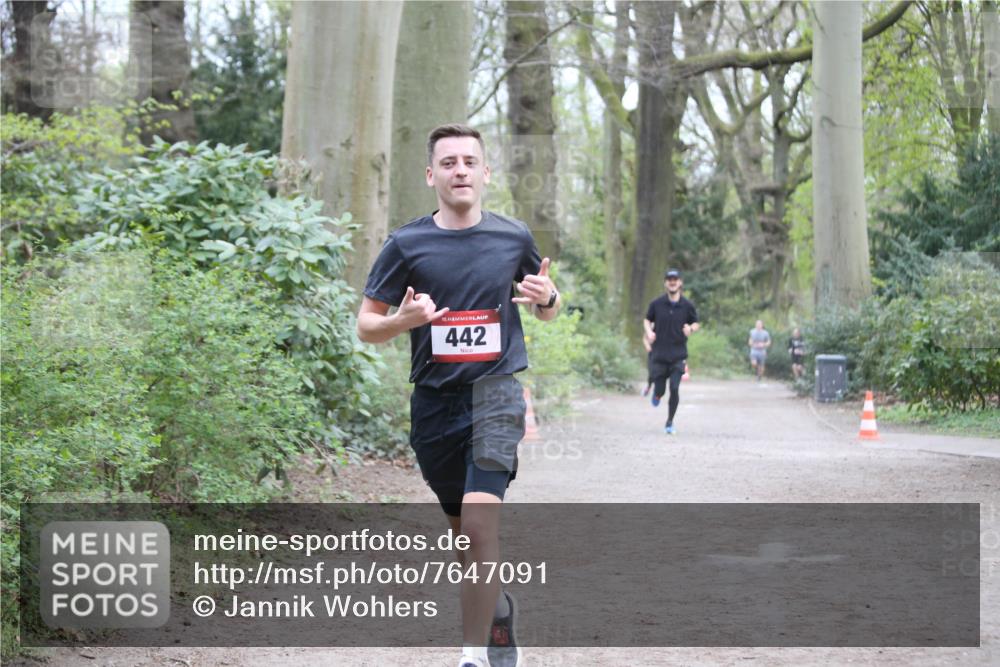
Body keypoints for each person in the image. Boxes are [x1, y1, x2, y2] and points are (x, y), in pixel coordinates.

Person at [356, 123, 559, 667]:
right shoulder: (407, 243)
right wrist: (404, 319)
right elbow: (365, 327)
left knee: (478, 527)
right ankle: (496, 611)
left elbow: (543, 302)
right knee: (464, 537)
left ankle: (472, 656)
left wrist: (549, 297)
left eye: (470, 161)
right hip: (434, 405)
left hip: (495, 397)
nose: (460, 170)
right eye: (448, 163)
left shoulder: (512, 236)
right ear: (431, 175)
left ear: (486, 173)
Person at [643, 269, 699, 434]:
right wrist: (649, 332)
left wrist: (690, 328)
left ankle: (669, 422)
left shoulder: (687, 305)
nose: (672, 282)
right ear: (665, 283)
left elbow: (696, 322)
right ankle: (657, 394)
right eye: (669, 279)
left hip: (678, 355)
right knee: (660, 389)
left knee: (674, 388)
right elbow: (647, 320)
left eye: (675, 279)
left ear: (680, 282)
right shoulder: (656, 304)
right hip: (659, 355)